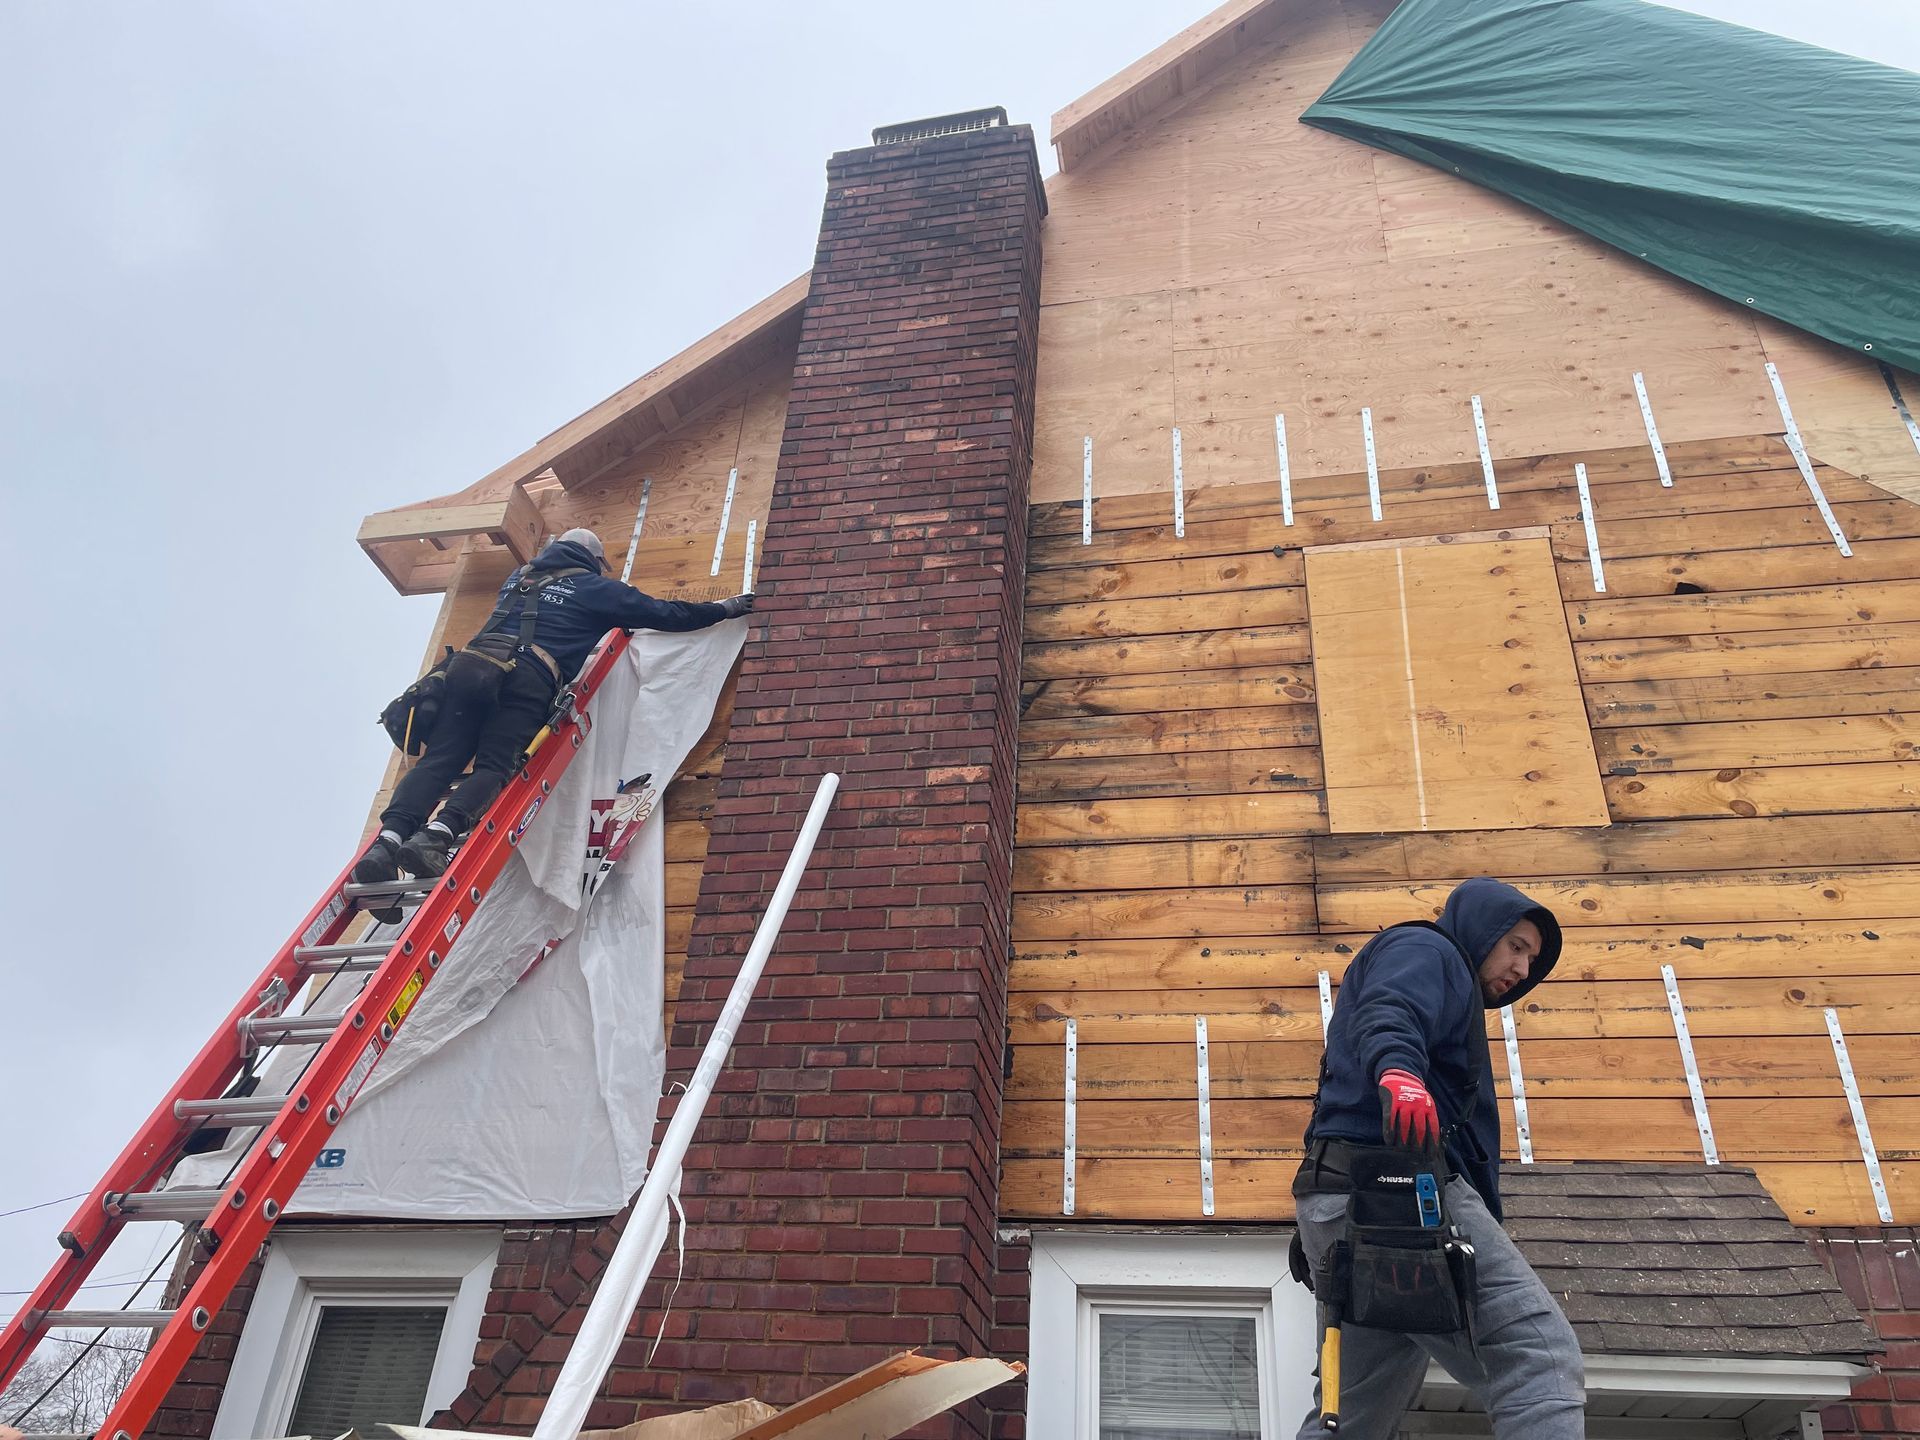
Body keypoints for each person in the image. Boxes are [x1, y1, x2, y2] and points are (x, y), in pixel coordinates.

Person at [1291, 877, 1586, 1439]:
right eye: (1516, 946)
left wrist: (1325, 1219)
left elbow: (1344, 1096)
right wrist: (1400, 1071)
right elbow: (1390, 1009)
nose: (1522, 968)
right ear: (1481, 929)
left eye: (1531, 959)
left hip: (1348, 1198)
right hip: (1402, 1197)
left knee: (1356, 1412)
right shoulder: (1428, 951)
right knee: (1537, 1357)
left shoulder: (1445, 987)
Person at [355, 526, 752, 889]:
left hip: (469, 669)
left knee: (439, 762)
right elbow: (665, 615)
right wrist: (725, 608)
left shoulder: (519, 579)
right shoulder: (594, 588)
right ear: (593, 561)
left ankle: (386, 844)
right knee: (494, 765)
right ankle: (437, 835)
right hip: (526, 677)